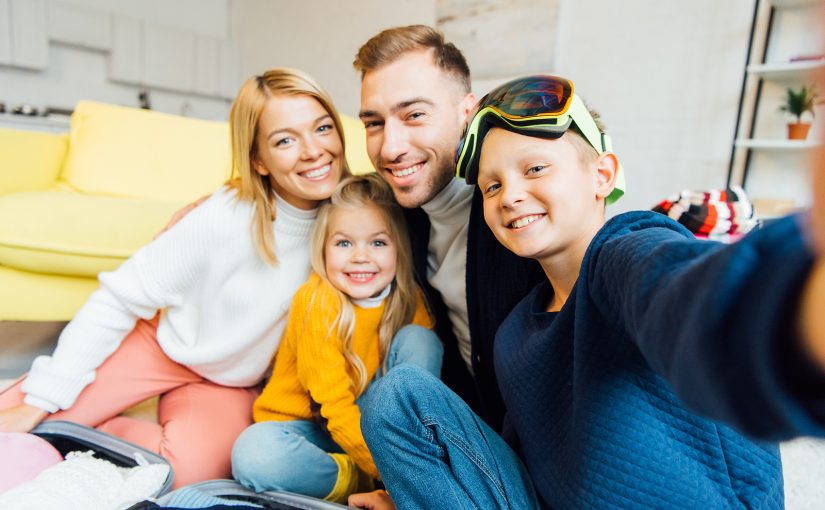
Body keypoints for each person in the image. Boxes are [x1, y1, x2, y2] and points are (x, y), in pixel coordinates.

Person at [353, 74, 825, 509]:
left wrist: (795, 304)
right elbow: (520, 475)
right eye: (492, 186)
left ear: (602, 175)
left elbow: (692, 298)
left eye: (535, 169)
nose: (510, 195)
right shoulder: (516, 334)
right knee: (395, 399)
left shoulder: (623, 253)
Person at [0, 67, 348, 487]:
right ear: (259, 160)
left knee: (188, 474)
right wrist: (42, 399)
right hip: (160, 346)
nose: (313, 150)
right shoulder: (223, 217)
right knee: (20, 420)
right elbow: (119, 299)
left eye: (323, 128)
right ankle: (65, 413)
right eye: (285, 140)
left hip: (229, 381)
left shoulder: (353, 220)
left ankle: (97, 431)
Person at [354, 25, 577, 431]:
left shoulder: (519, 209)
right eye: (374, 123)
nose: (390, 147)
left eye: (414, 115)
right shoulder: (396, 212)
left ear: (467, 113)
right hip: (476, 427)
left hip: (551, 444)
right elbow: (326, 197)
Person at [231, 174, 442, 503]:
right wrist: (387, 473)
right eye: (344, 243)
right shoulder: (317, 301)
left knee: (422, 340)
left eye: (378, 243)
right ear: (323, 248)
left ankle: (409, 461)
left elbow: (418, 388)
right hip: (313, 429)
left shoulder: (407, 298)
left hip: (379, 431)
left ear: (399, 248)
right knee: (255, 453)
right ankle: (355, 479)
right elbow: (333, 407)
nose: (360, 256)